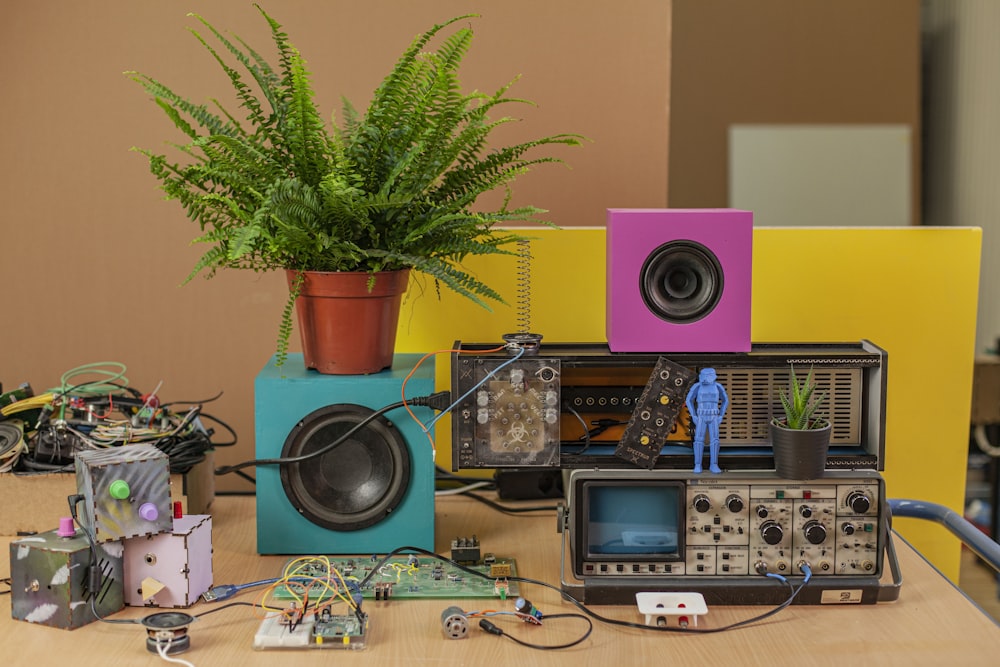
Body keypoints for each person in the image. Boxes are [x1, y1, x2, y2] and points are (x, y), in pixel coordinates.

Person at [685, 367, 728, 474]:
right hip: (701, 415)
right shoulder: (697, 386)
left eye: (707, 375)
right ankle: (698, 464)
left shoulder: (718, 386)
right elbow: (688, 400)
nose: (704, 378)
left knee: (715, 440)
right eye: (702, 375)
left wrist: (721, 415)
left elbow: (725, 400)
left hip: (713, 415)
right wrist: (693, 415)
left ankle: (714, 464)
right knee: (698, 440)